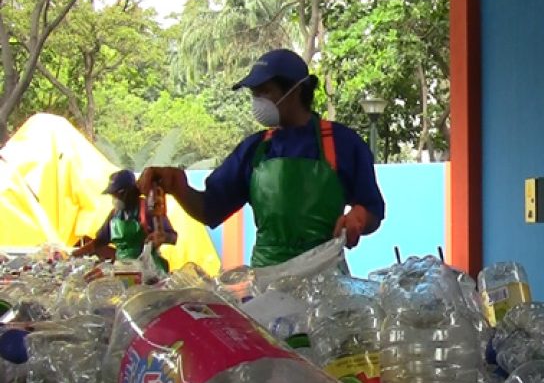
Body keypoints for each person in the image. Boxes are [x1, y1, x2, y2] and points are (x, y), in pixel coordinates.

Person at [138, 48, 385, 268]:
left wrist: (359, 218)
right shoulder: (254, 150)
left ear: (295, 90)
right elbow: (209, 209)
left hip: (327, 278)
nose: (257, 102)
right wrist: (179, 187)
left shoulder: (343, 143)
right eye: (254, 94)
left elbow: (373, 209)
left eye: (264, 92)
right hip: (268, 280)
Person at [73, 169, 177, 272]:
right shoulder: (114, 214)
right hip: (123, 269)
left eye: (116, 194)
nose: (114, 199)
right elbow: (100, 241)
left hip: (148, 269)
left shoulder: (148, 208)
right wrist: (75, 254)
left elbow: (173, 237)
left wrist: (163, 237)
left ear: (127, 193)